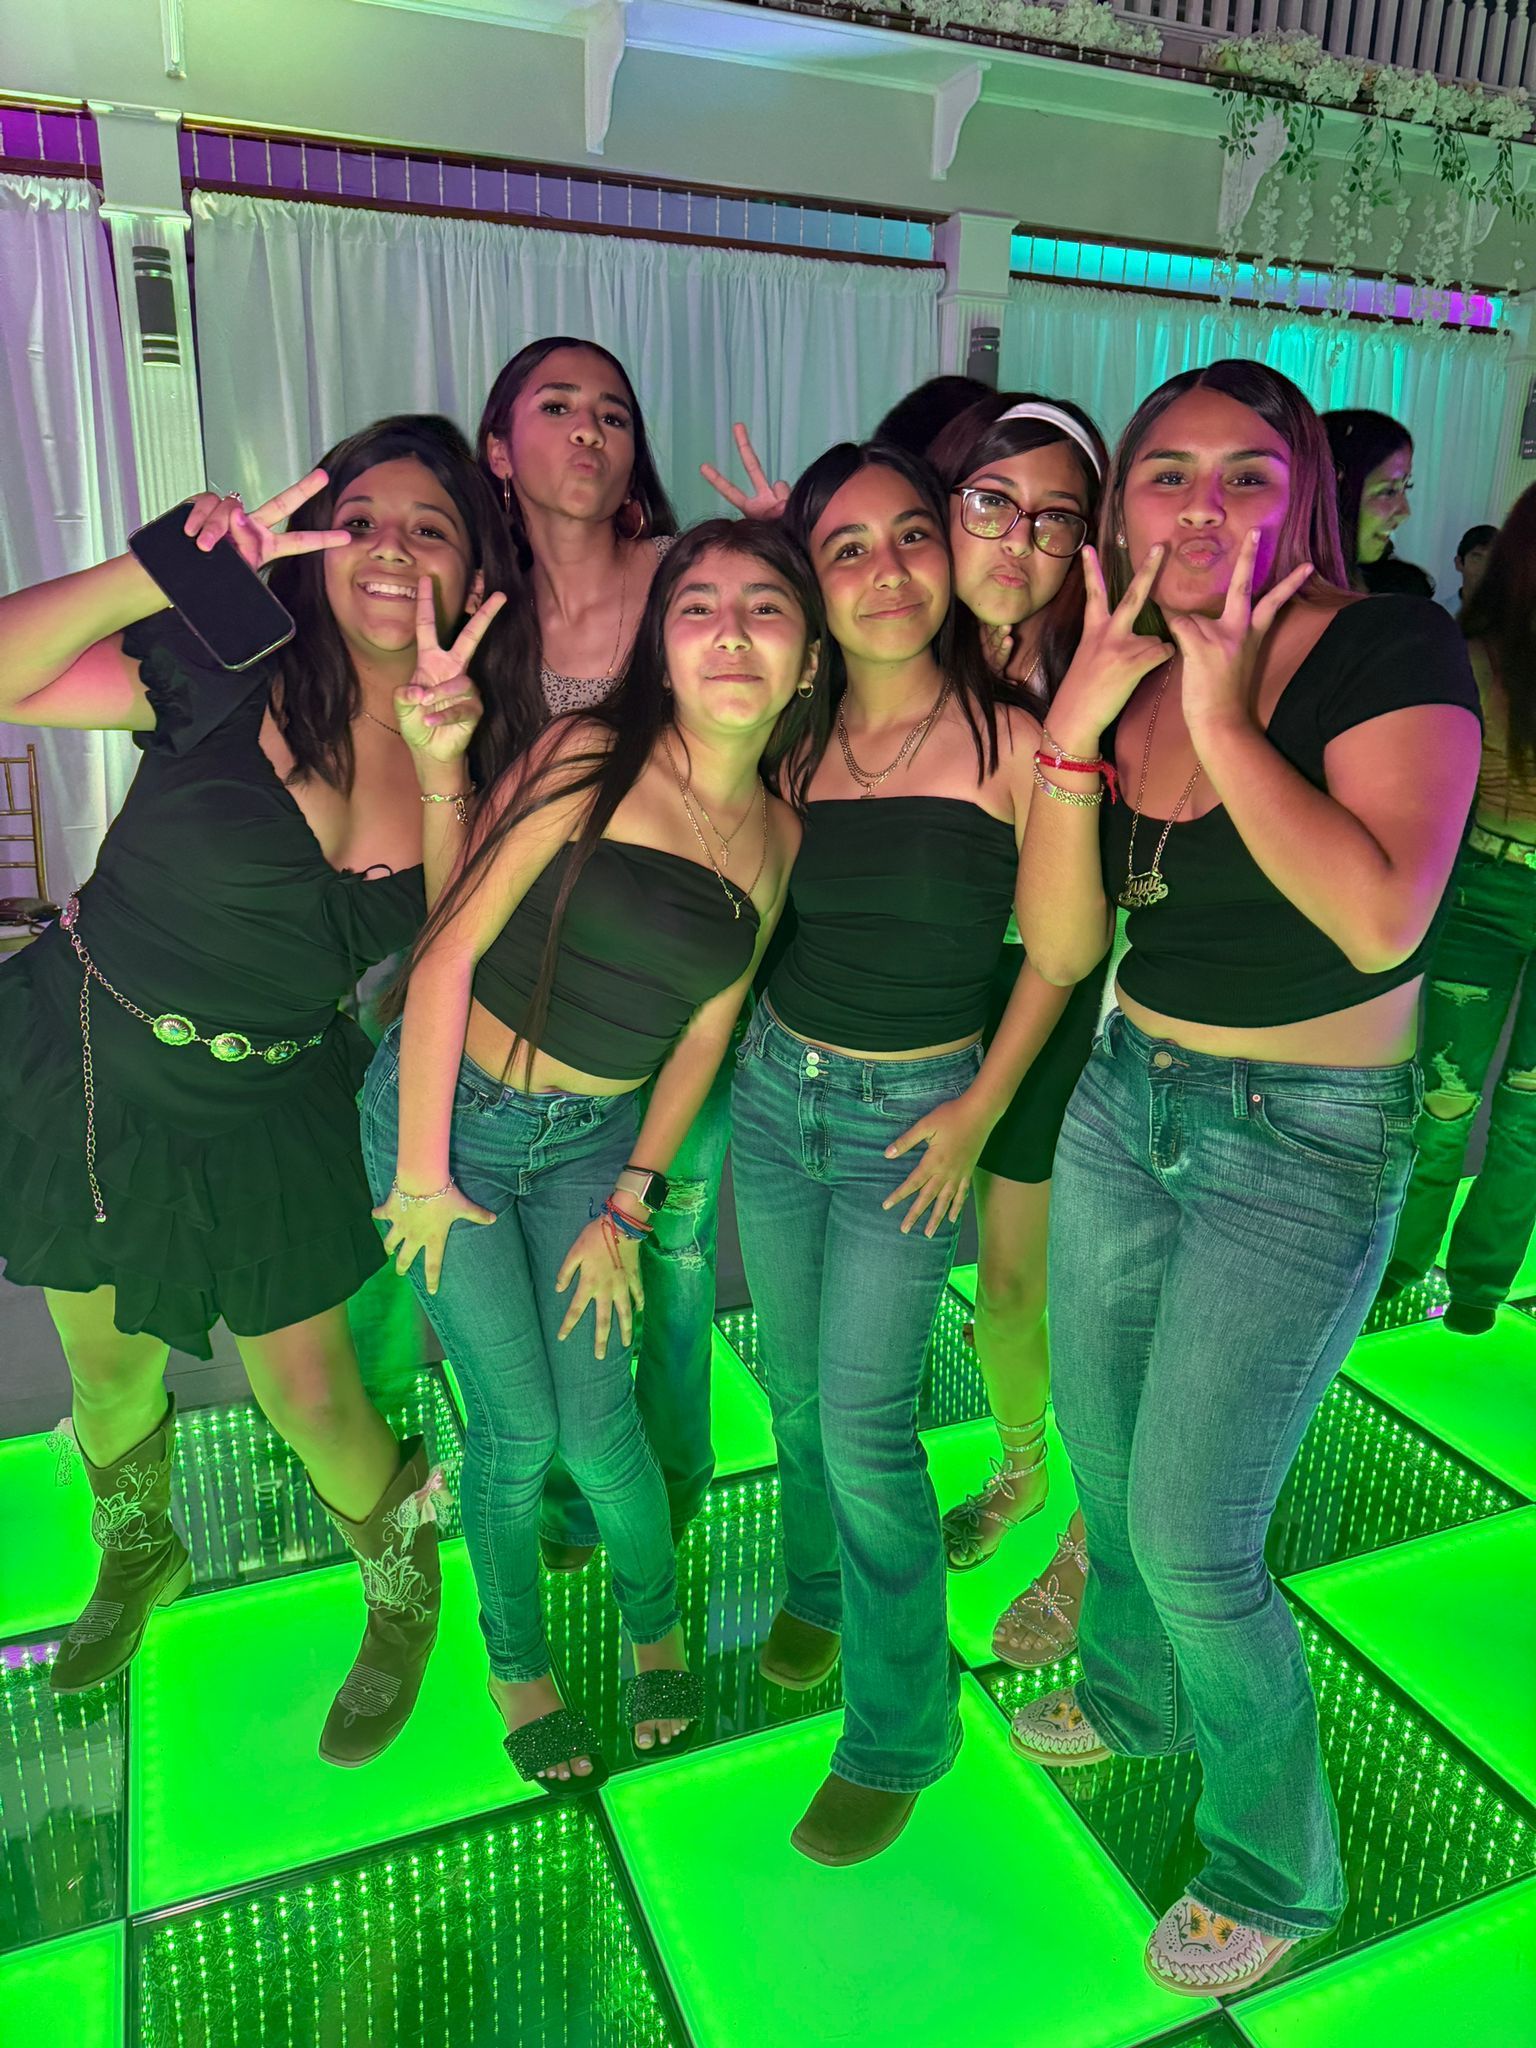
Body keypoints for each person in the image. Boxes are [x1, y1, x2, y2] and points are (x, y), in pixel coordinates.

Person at [1010, 360, 1479, 1993]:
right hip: (1126, 1094)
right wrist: (1076, 730)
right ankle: (1131, 1702)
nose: (1204, 506)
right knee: (1107, 1462)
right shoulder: (1119, 661)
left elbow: (1378, 918)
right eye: (1169, 473)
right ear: (1122, 503)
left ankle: (1279, 1865)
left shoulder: (1389, 648)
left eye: (1247, 473)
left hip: (1305, 1135)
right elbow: (1064, 942)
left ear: (1304, 497)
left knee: (1196, 1534)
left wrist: (1220, 712)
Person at [0, 416, 540, 1762]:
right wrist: (163, 568)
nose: (392, 549)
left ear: (477, 577)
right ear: (316, 546)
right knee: (108, 1373)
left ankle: (403, 1590)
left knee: (314, 1401)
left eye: (432, 528)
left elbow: (455, 942)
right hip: (94, 1062)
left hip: (273, 1097)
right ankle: (138, 1549)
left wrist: (442, 766)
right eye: (364, 521)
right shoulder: (224, 658)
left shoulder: (485, 749)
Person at [363, 518, 814, 1792]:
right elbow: (449, 948)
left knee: (604, 1427)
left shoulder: (781, 836)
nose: (731, 631)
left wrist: (628, 1206)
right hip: (446, 1119)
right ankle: (517, 1666)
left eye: (766, 607)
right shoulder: (590, 754)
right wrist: (420, 1171)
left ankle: (654, 1631)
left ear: (806, 659)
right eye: (698, 606)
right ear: (661, 646)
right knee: (516, 1429)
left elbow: (706, 1029)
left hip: (593, 1148)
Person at [732, 440, 1055, 1868]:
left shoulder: (1018, 738)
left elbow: (1062, 951)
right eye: (845, 547)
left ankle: (902, 1727)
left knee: (865, 1425)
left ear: (954, 548)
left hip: (911, 1118)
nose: (886, 570)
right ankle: (817, 1583)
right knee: (796, 1392)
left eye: (911, 533)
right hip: (772, 1090)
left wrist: (978, 1111)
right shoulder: (789, 735)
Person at [478, 337, 727, 1572]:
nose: (589, 428)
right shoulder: (479, 610)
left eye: (614, 413)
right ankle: (573, 1482)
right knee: (537, 1257)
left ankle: (668, 1477)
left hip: (669, 983)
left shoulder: (684, 578)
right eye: (558, 405)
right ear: (498, 449)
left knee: (668, 1251)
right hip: (524, 992)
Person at [916, 394, 1112, 1662]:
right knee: (950, 1279)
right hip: (918, 984)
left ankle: (1063, 1491)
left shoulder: (1103, 669)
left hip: (1059, 991)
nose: (1018, 539)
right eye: (991, 502)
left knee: (1032, 1279)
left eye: (1055, 516)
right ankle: (1022, 1462)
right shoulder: (901, 647)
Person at [1378, 487, 1536, 1332]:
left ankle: (1479, 1283)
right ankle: (1404, 1259)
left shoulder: (1475, 650)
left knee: (1529, 1109)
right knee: (1445, 1098)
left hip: (1484, 879)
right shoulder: (1474, 653)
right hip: (1480, 886)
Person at [1323, 408, 1434, 597]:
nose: (1405, 512)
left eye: (1406, 487)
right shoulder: (1278, 597)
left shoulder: (1401, 591)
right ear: (1333, 490)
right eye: (1388, 491)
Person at [1455, 522, 1498, 610]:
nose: (1485, 567)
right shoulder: (1436, 613)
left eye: (1493, 559)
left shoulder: (1516, 615)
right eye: (1477, 558)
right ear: (1459, 563)